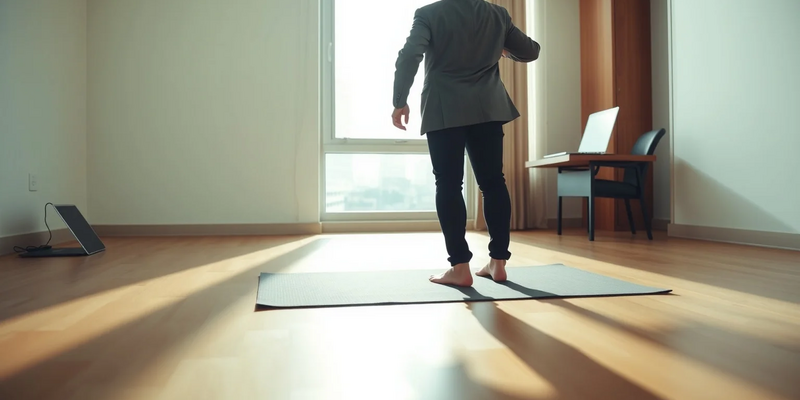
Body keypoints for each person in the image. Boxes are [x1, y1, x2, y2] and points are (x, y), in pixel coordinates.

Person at [391, 0, 541, 287]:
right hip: (488, 107)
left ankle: (460, 267)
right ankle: (498, 262)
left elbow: (410, 54)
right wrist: (504, 49)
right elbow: (531, 51)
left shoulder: (429, 13)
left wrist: (400, 100)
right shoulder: (497, 14)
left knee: (448, 184)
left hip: (443, 106)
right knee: (493, 182)